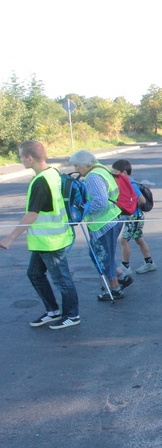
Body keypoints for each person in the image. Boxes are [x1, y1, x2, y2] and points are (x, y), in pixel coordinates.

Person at [0, 141, 81, 329]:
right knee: (35, 274)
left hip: (51, 241)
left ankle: (72, 315)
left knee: (62, 279)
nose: (20, 161)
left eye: (21, 157)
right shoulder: (52, 173)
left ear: (29, 158)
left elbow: (32, 214)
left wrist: (10, 238)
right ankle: (53, 311)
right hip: (46, 240)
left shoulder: (41, 181)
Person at [69, 150, 132, 301]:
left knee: (102, 257)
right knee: (102, 255)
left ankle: (115, 289)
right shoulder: (101, 169)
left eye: (77, 166)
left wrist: (81, 212)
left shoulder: (93, 176)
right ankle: (122, 277)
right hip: (112, 218)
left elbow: (100, 202)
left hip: (103, 223)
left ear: (85, 164)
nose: (76, 170)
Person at [111, 159, 156, 274]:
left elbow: (142, 200)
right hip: (135, 216)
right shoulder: (128, 183)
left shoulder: (130, 184)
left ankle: (125, 266)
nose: (114, 175)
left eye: (116, 172)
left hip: (134, 216)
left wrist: (131, 205)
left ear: (124, 173)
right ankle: (149, 263)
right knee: (139, 239)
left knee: (124, 240)